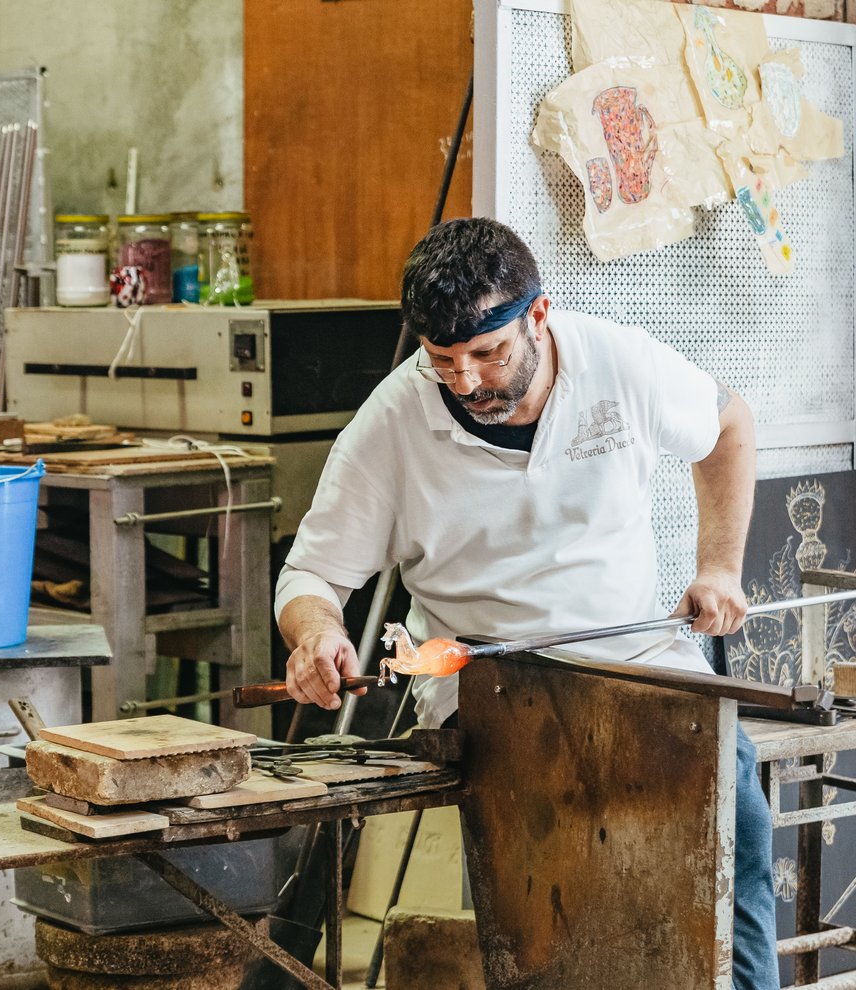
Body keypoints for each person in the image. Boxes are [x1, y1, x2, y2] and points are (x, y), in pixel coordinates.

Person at [274, 217, 777, 989]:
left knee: (729, 813)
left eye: (487, 354)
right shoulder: (393, 423)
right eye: (444, 360)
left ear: (538, 315)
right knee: (549, 883)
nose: (468, 382)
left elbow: (728, 426)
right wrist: (316, 636)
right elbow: (311, 577)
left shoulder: (617, 361)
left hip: (633, 655)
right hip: (486, 681)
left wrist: (719, 567)